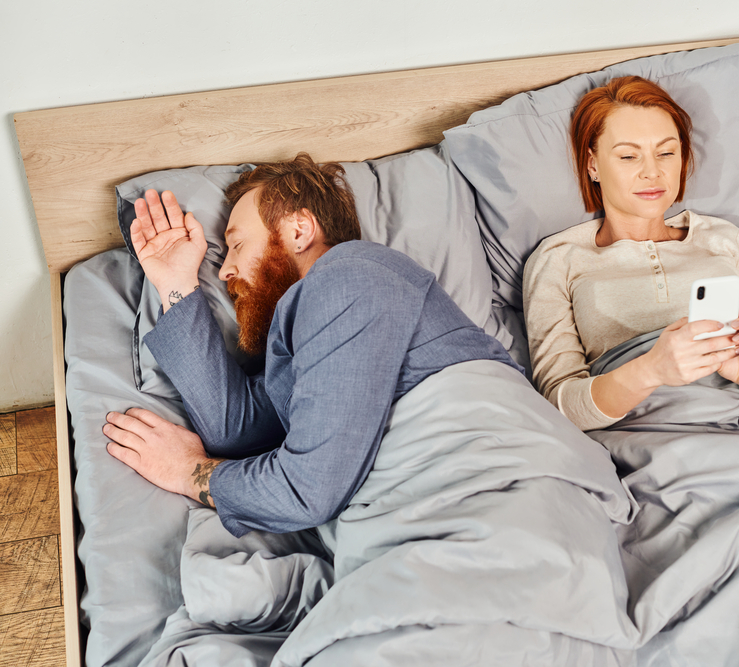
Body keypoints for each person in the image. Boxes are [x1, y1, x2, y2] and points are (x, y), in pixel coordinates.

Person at [103, 153, 519, 536]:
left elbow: (307, 491)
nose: (225, 270)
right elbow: (235, 428)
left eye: (237, 244)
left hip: (495, 487)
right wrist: (176, 282)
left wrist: (188, 470)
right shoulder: (316, 327)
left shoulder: (351, 275)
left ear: (299, 230)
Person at [523, 76, 739, 432]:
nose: (652, 172)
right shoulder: (558, 258)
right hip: (648, 440)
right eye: (629, 156)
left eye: (666, 152)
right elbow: (560, 404)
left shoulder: (722, 238)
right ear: (593, 165)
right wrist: (650, 369)